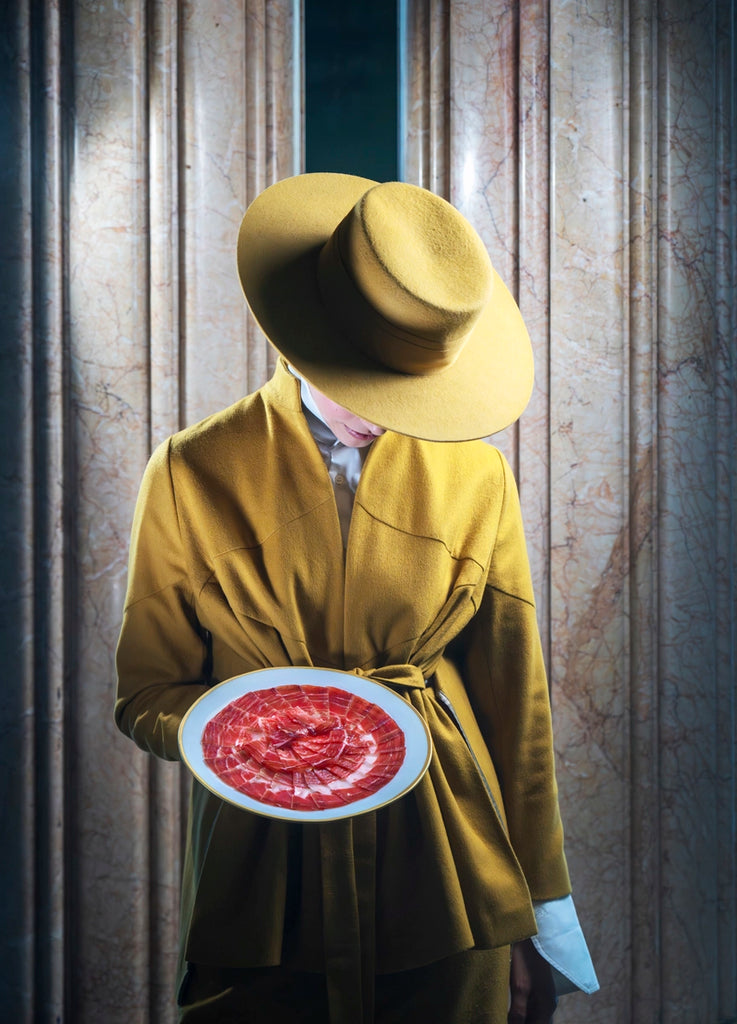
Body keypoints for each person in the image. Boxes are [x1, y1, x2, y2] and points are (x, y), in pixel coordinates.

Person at [115, 172, 599, 1023]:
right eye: (364, 379)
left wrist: (533, 925)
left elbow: (514, 711)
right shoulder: (192, 469)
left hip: (450, 867)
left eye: (405, 386)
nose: (384, 414)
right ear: (304, 336)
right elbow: (147, 693)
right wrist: (247, 732)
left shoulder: (478, 474)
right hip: (262, 877)